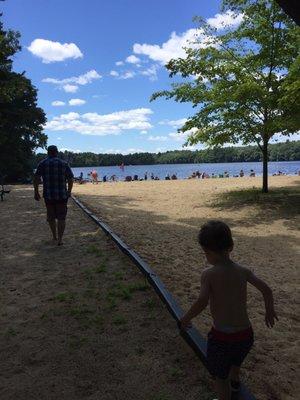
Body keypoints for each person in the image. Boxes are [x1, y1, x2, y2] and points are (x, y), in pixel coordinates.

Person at [179, 221, 277, 400]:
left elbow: (202, 301)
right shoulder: (243, 271)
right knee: (235, 361)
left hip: (222, 338)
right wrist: (269, 310)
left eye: (206, 252)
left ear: (207, 252)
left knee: (220, 378)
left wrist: (186, 317)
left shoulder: (208, 274)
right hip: (246, 336)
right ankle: (236, 382)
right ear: (231, 247)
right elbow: (266, 289)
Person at [33, 145, 74, 246]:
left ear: (48, 152)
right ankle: (60, 239)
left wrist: (36, 192)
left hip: (48, 195)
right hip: (61, 195)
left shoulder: (42, 163)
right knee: (61, 217)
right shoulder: (64, 164)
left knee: (51, 217)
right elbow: (70, 179)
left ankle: (54, 236)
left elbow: (36, 179)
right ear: (57, 152)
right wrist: (69, 191)